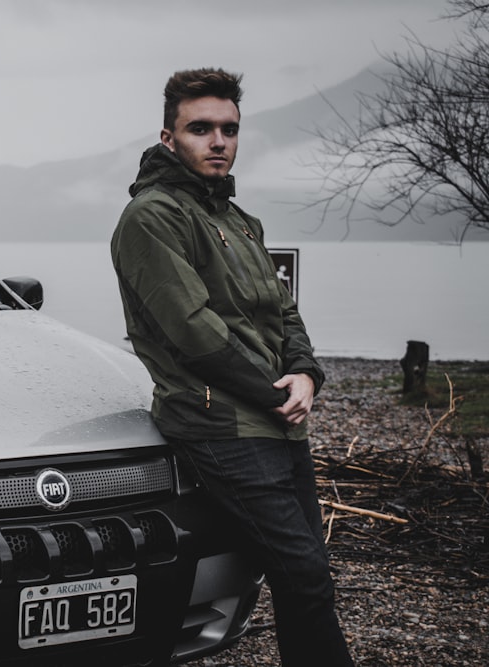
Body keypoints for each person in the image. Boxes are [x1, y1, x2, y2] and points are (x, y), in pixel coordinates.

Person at [110, 68, 355, 666]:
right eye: (200, 128)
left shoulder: (239, 222)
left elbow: (283, 311)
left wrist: (305, 374)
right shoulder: (152, 217)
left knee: (308, 575)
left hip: (276, 420)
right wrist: (275, 393)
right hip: (221, 426)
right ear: (169, 138)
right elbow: (196, 334)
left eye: (228, 129)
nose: (218, 140)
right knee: (303, 572)